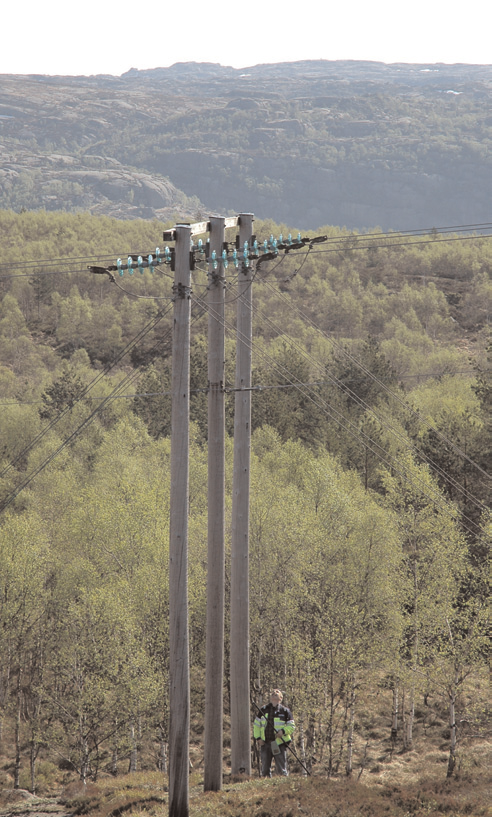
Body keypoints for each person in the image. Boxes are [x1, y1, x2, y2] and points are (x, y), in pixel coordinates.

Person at [253, 688, 295, 777]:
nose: (274, 693)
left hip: (279, 743)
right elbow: (256, 725)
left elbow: (291, 726)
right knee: (264, 770)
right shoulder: (263, 710)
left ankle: (282, 787)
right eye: (272, 693)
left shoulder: (285, 711)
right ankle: (266, 789)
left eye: (277, 693)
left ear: (281, 698)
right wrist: (258, 738)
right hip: (265, 743)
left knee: (281, 770)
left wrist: (283, 731)